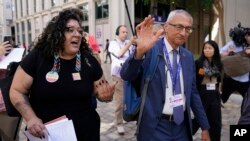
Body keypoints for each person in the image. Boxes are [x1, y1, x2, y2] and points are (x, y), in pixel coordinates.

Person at [9, 8, 116, 141]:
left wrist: (106, 96)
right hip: (46, 134)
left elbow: (99, 91)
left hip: (86, 133)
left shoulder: (89, 60)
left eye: (79, 31)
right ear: (57, 33)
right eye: (70, 30)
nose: (77, 34)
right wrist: (30, 118)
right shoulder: (38, 57)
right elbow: (16, 91)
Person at [120, 10, 210, 141]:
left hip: (182, 128)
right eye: (179, 27)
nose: (183, 33)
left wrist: (204, 127)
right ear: (166, 27)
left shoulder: (188, 57)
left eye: (188, 29)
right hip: (155, 128)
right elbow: (126, 75)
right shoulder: (150, 49)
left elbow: (193, 93)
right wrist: (139, 52)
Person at [192, 40, 223, 141]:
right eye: (205, 48)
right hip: (202, 93)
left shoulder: (218, 64)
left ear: (215, 50)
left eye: (210, 48)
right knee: (197, 120)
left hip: (214, 94)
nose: (207, 50)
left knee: (215, 121)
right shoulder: (198, 63)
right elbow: (194, 80)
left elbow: (218, 80)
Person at [108, 25, 136, 135]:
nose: (125, 34)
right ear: (118, 33)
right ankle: (119, 123)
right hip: (118, 75)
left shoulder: (129, 42)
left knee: (129, 98)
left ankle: (127, 116)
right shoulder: (113, 44)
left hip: (129, 75)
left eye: (126, 32)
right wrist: (130, 43)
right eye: (123, 32)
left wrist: (136, 43)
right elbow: (119, 54)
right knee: (119, 101)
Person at [220, 26, 250, 104]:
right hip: (231, 78)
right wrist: (229, 53)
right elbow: (220, 53)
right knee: (223, 98)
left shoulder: (246, 45)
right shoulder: (231, 44)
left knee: (247, 101)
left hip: (244, 79)